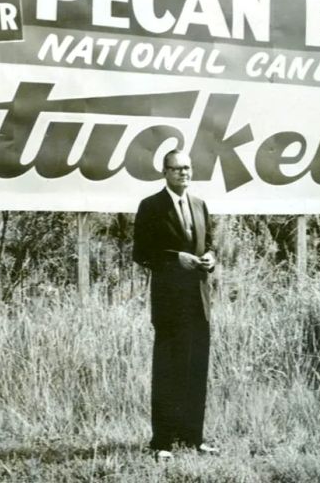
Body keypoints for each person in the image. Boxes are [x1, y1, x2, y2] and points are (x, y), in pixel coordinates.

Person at [133, 149, 219, 461]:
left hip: (198, 301)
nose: (184, 173)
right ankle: (162, 442)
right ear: (165, 172)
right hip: (169, 303)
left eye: (187, 168)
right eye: (177, 169)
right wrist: (174, 258)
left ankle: (193, 438)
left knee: (196, 370)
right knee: (168, 372)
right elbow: (141, 253)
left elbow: (208, 243)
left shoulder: (199, 205)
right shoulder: (151, 206)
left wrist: (210, 257)